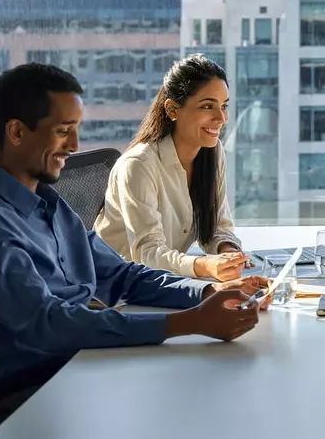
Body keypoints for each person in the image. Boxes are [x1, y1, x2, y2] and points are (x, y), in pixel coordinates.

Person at [0, 64, 268, 413]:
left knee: (220, 389)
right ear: (17, 132)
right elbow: (50, 325)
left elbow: (123, 275)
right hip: (36, 389)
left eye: (76, 130)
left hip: (84, 360)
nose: (75, 145)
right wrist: (189, 322)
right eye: (63, 131)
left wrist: (206, 292)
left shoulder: (51, 206)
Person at [95, 54, 247, 281]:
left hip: (164, 283)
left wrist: (228, 254)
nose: (221, 118)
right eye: (208, 106)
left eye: (224, 106)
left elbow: (217, 225)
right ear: (172, 110)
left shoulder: (212, 153)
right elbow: (147, 252)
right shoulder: (139, 165)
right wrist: (205, 266)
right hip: (117, 291)